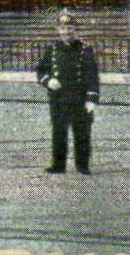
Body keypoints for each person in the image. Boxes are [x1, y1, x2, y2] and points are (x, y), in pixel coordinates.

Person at [34, 10, 100, 175]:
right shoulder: (52, 50)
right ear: (58, 30)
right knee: (59, 131)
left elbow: (92, 75)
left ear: (75, 30)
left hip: (79, 97)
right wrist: (48, 81)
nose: (66, 32)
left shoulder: (85, 50)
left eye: (70, 28)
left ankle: (82, 165)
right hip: (59, 98)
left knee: (82, 133)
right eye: (63, 28)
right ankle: (58, 164)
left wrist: (91, 99)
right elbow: (40, 70)